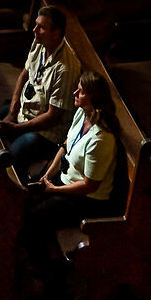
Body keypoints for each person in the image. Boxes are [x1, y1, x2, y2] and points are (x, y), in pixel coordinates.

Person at [25, 71, 126, 233]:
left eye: (81, 91)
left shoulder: (101, 138)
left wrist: (54, 190)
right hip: (66, 180)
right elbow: (66, 144)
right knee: (27, 195)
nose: (75, 93)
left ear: (94, 98)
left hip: (86, 199)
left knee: (35, 216)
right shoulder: (82, 112)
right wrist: (47, 175)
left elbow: (89, 186)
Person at [0, 4, 81, 181]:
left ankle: (15, 194)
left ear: (56, 33)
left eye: (41, 27)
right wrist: (12, 113)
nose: (34, 30)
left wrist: (18, 128)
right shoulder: (40, 42)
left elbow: (53, 116)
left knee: (12, 156)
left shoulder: (65, 69)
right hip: (25, 111)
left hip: (48, 132)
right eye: (36, 24)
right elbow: (24, 75)